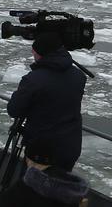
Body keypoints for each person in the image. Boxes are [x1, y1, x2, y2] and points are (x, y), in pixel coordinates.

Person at [5, 30, 87, 172]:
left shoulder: (34, 80)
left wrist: (21, 91)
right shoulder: (79, 75)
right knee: (60, 185)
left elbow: (14, 109)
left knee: (37, 188)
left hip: (42, 150)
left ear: (41, 53)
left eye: (34, 52)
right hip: (70, 147)